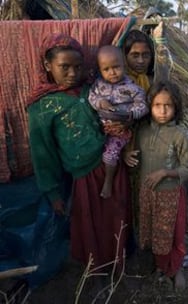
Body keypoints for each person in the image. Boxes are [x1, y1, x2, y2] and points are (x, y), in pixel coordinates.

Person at [27, 33, 131, 295]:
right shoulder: (41, 107)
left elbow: (118, 113)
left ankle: (119, 267)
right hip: (83, 175)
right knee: (90, 225)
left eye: (77, 66)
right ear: (48, 66)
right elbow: (43, 153)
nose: (72, 73)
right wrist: (52, 192)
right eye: (65, 67)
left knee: (116, 216)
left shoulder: (92, 88)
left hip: (111, 165)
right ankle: (95, 274)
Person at [124, 80, 188, 290]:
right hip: (147, 193)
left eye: (168, 105)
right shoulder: (141, 132)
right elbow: (133, 163)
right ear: (149, 106)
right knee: (154, 232)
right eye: (157, 105)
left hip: (170, 195)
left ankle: (176, 267)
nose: (162, 111)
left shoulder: (179, 135)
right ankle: (160, 266)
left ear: (176, 107)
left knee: (173, 234)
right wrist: (127, 157)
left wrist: (166, 172)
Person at [89, 45, 148, 198]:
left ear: (124, 65)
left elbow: (143, 105)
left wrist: (131, 114)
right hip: (100, 127)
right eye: (106, 69)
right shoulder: (98, 84)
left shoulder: (132, 87)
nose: (112, 72)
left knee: (110, 153)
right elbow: (91, 97)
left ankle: (108, 182)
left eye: (116, 67)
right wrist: (100, 102)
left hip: (120, 130)